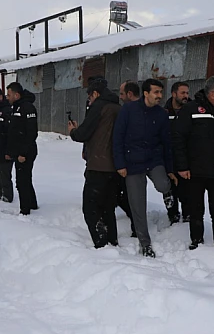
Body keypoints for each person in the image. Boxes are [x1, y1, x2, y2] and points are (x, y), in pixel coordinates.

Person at [173, 76, 214, 250]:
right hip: (195, 171)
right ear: (211, 94)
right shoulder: (191, 109)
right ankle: (197, 242)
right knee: (196, 210)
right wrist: (182, 166)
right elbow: (178, 139)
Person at [113, 78, 177, 257]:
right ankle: (145, 243)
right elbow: (117, 137)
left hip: (153, 160)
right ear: (146, 93)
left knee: (163, 185)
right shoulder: (128, 110)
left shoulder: (161, 114)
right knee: (137, 206)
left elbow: (166, 143)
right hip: (132, 163)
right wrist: (120, 164)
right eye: (156, 92)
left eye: (160, 92)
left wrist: (169, 168)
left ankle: (168, 194)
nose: (159, 96)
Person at [69, 77, 122, 248]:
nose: (89, 100)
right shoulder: (117, 107)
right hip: (115, 167)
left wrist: (73, 131)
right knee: (108, 207)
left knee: (90, 207)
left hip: (98, 165)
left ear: (96, 93)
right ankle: (112, 241)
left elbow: (83, 133)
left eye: (89, 96)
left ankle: (101, 242)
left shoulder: (98, 106)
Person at [5, 82, 39, 215]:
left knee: (22, 181)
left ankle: (25, 211)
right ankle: (32, 204)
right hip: (18, 152)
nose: (7, 97)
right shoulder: (15, 108)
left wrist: (23, 153)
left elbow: (32, 133)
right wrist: (10, 152)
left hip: (26, 152)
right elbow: (13, 133)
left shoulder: (27, 108)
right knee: (25, 179)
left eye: (9, 95)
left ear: (16, 95)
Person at [164, 81, 191, 224]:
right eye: (183, 93)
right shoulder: (164, 112)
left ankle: (187, 218)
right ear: (174, 94)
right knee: (169, 192)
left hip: (187, 160)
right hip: (169, 159)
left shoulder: (192, 111)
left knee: (187, 193)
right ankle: (173, 218)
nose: (186, 96)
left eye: (187, 93)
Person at [115, 80, 139, 236]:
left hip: (134, 162)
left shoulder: (129, 111)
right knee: (125, 194)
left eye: (122, 94)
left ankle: (137, 226)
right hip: (128, 160)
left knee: (130, 195)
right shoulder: (126, 110)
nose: (120, 97)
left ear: (130, 94)